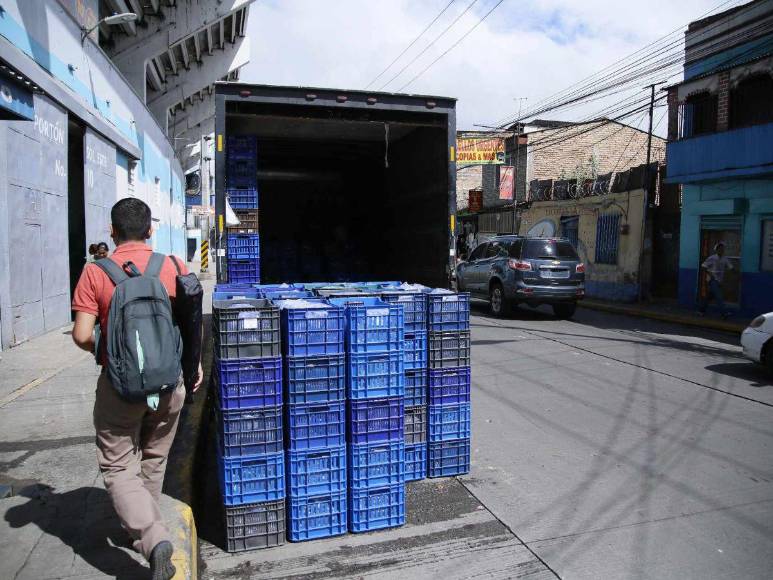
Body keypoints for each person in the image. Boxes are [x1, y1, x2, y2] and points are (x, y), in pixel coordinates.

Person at [70, 198, 202, 580]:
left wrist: (107, 346)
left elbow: (81, 335)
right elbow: (192, 322)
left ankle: (151, 537)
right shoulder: (174, 265)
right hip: (169, 383)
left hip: (120, 388)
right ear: (150, 230)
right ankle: (147, 530)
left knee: (117, 465)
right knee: (154, 458)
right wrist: (192, 366)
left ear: (112, 233)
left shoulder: (96, 272)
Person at [699, 242, 733, 318]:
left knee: (709, 297)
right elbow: (703, 266)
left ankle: (701, 310)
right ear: (716, 250)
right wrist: (710, 273)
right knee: (719, 296)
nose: (721, 250)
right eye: (720, 249)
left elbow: (730, 267)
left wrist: (733, 273)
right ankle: (724, 313)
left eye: (722, 249)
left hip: (720, 281)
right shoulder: (712, 258)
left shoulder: (725, 259)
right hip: (712, 280)